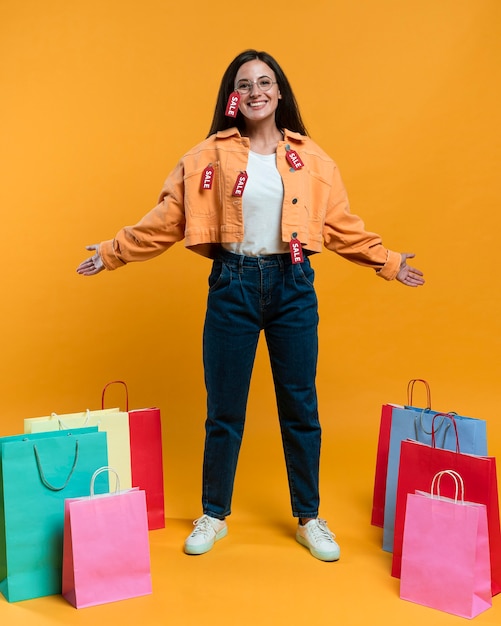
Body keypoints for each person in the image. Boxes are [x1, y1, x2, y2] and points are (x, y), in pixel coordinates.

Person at [77, 49, 425, 562]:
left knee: (301, 408)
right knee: (224, 411)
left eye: (266, 81)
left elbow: (338, 225)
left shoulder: (313, 159)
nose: (257, 90)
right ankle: (214, 514)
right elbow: (167, 218)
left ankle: (309, 517)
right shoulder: (207, 158)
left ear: (279, 92)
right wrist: (112, 252)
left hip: (294, 286)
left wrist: (388, 261)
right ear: (232, 97)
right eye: (246, 83)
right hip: (232, 286)